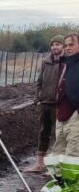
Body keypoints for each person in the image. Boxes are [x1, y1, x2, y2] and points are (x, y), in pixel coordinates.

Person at [25, 36, 63, 172]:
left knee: (58, 134)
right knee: (43, 132)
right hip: (44, 103)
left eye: (58, 44)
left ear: (63, 47)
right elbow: (39, 81)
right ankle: (39, 164)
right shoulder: (46, 62)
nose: (55, 47)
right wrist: (37, 97)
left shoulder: (65, 62)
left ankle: (56, 166)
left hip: (58, 104)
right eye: (53, 45)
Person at [45, 32, 79, 178]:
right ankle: (57, 180)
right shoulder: (65, 63)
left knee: (73, 151)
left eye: (72, 44)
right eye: (66, 45)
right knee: (58, 149)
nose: (68, 48)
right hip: (62, 112)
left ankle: (71, 187)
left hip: (75, 113)